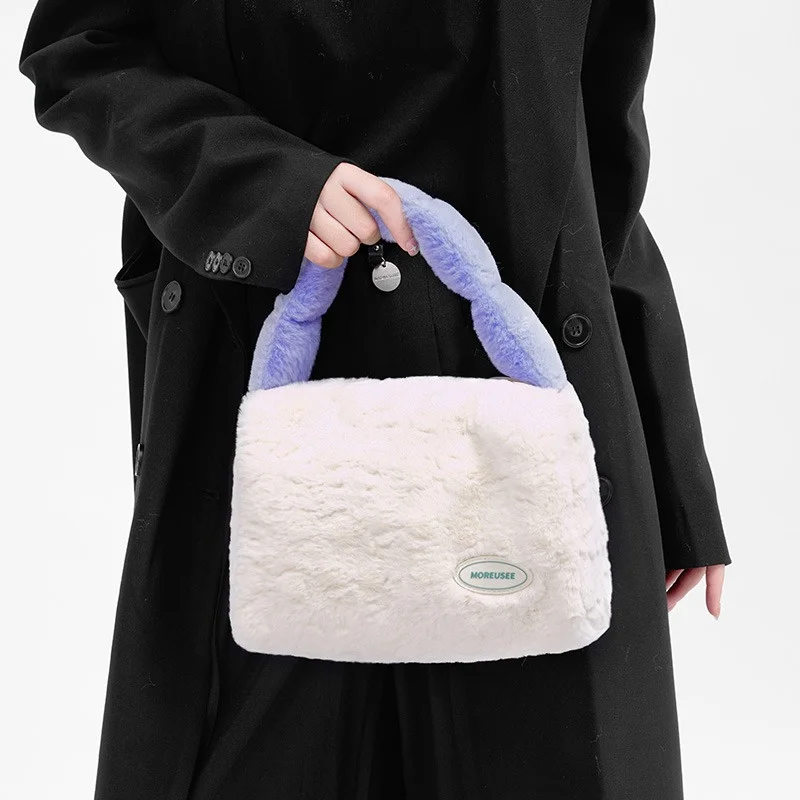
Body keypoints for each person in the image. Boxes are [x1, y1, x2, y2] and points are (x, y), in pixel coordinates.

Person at [18, 1, 731, 798]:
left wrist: (671, 466)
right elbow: (80, 49)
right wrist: (259, 186)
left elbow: (597, 148)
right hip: (267, 412)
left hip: (531, 431)